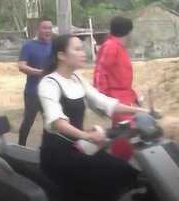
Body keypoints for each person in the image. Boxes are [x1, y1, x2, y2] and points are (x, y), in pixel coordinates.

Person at [38, 34, 149, 201]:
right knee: (111, 175)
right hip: (58, 154)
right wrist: (88, 136)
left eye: (82, 49)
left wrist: (140, 111)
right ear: (61, 55)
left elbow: (103, 101)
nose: (83, 53)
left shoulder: (76, 78)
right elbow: (57, 122)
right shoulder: (49, 83)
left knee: (126, 170)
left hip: (77, 146)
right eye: (77, 49)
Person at [94, 16, 139, 125]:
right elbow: (100, 72)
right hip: (116, 98)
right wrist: (102, 99)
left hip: (125, 97)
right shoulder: (111, 46)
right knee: (129, 132)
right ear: (128, 32)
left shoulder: (118, 47)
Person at [17, 18, 53, 146]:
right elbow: (21, 66)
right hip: (33, 92)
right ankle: (20, 146)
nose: (48, 31)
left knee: (50, 122)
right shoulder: (28, 46)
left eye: (50, 28)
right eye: (44, 28)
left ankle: (46, 148)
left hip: (50, 92)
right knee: (28, 121)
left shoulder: (54, 45)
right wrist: (40, 72)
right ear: (38, 29)